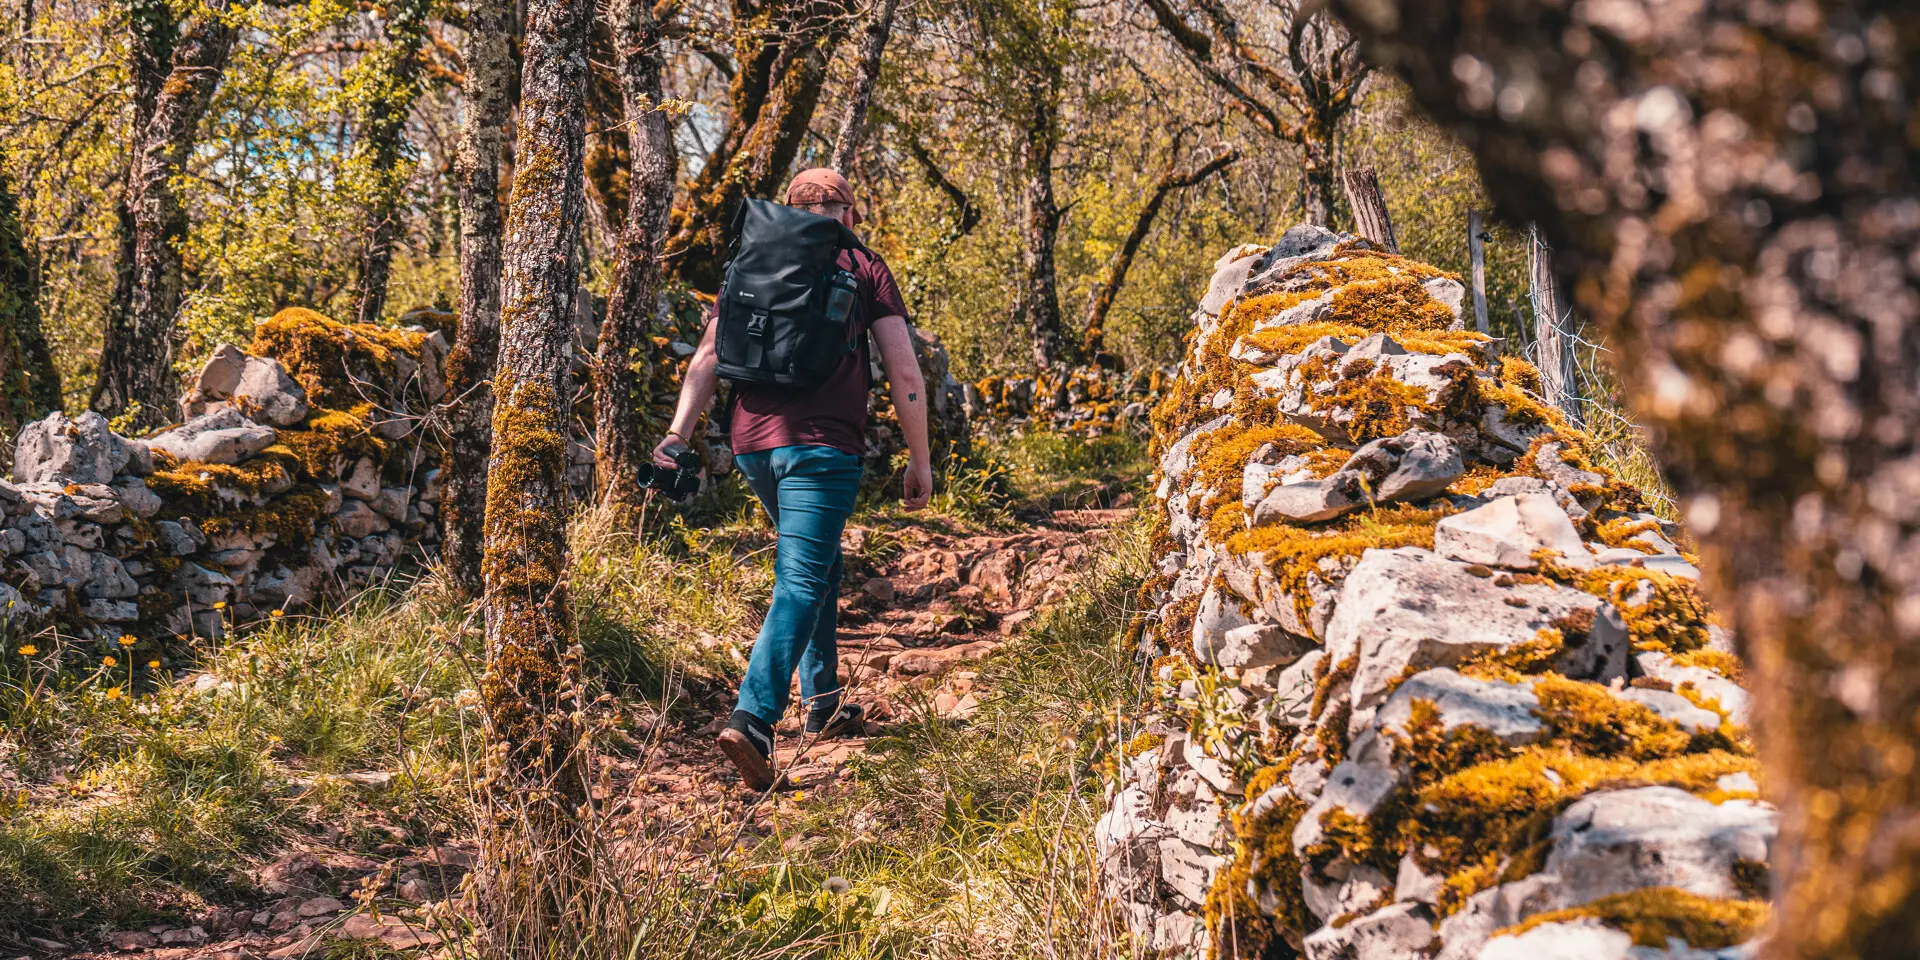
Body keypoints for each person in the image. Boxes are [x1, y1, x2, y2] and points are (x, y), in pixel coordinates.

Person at [653, 167, 933, 791]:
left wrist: (677, 433)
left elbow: (707, 355)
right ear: (849, 214)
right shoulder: (863, 265)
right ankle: (754, 718)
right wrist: (920, 459)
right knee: (803, 575)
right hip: (822, 448)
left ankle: (823, 698)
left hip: (752, 444)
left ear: (790, 209)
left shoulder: (753, 260)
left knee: (820, 562)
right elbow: (904, 371)